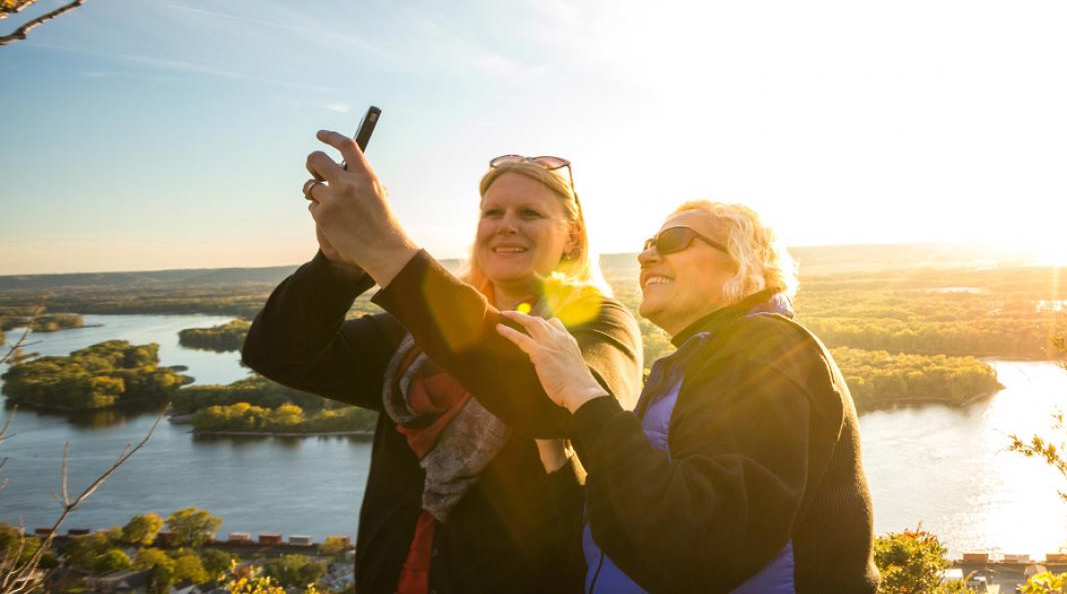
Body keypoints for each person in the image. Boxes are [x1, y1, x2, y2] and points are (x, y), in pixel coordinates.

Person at [244, 135, 642, 594]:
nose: (506, 226)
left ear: (571, 235)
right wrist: (340, 263)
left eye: (529, 213)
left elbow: (555, 406)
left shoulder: (599, 323)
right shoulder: (416, 336)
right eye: (492, 213)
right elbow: (276, 352)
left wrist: (386, 249)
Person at [499, 200, 879, 593]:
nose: (645, 255)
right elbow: (629, 532)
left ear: (741, 263)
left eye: (673, 239)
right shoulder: (694, 366)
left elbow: (701, 541)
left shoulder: (767, 350)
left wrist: (584, 394)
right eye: (648, 243)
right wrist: (558, 462)